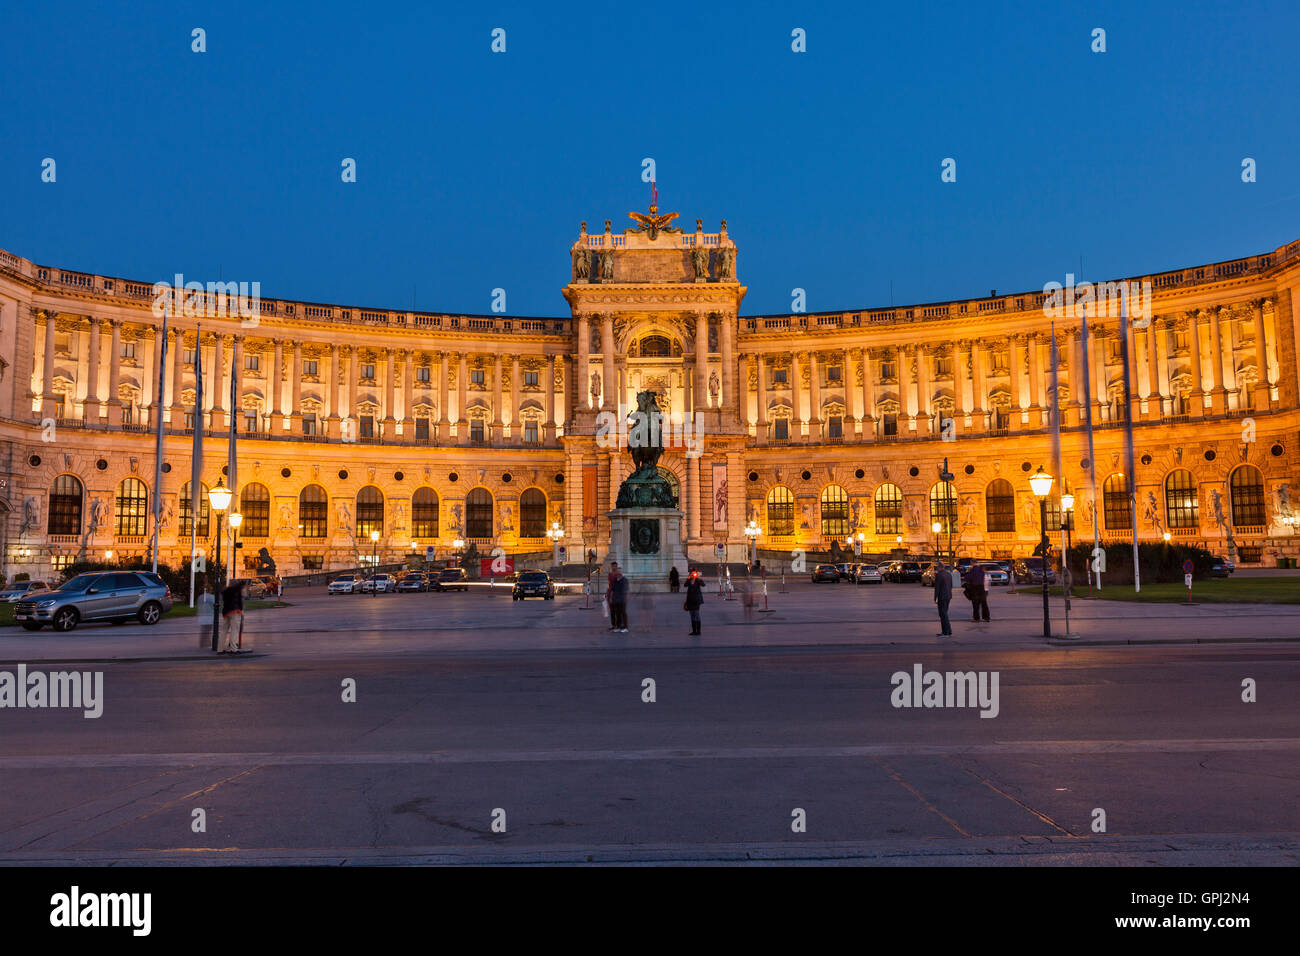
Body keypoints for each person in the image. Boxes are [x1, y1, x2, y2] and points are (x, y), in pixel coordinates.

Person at [220, 578, 246, 653]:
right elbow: (240, 601)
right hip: (235, 611)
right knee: (234, 630)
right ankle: (234, 649)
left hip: (226, 612)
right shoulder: (236, 590)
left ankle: (220, 649)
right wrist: (241, 610)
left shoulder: (225, 591)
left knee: (224, 631)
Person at [933, 558, 953, 636]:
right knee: (945, 614)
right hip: (948, 596)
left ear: (939, 567)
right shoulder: (949, 574)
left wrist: (935, 598)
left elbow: (937, 588)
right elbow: (951, 585)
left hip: (942, 597)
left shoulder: (939, 575)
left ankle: (946, 632)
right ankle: (948, 630)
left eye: (937, 567)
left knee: (943, 614)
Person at [684, 568, 705, 636]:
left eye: (694, 573)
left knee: (697, 615)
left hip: (696, 600)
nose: (693, 574)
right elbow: (685, 585)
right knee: (692, 616)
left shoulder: (698, 580)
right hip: (690, 600)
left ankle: (698, 631)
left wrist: (698, 578)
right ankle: (694, 631)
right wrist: (688, 578)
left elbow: (703, 584)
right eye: (692, 573)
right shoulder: (689, 580)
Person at [608, 567, 630, 633]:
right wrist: (611, 598)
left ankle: (625, 627)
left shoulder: (625, 580)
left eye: (619, 572)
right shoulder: (615, 580)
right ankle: (618, 626)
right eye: (617, 572)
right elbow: (612, 590)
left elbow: (626, 590)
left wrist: (626, 598)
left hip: (622, 599)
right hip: (615, 599)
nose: (618, 573)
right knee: (617, 613)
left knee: (623, 613)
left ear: (621, 572)